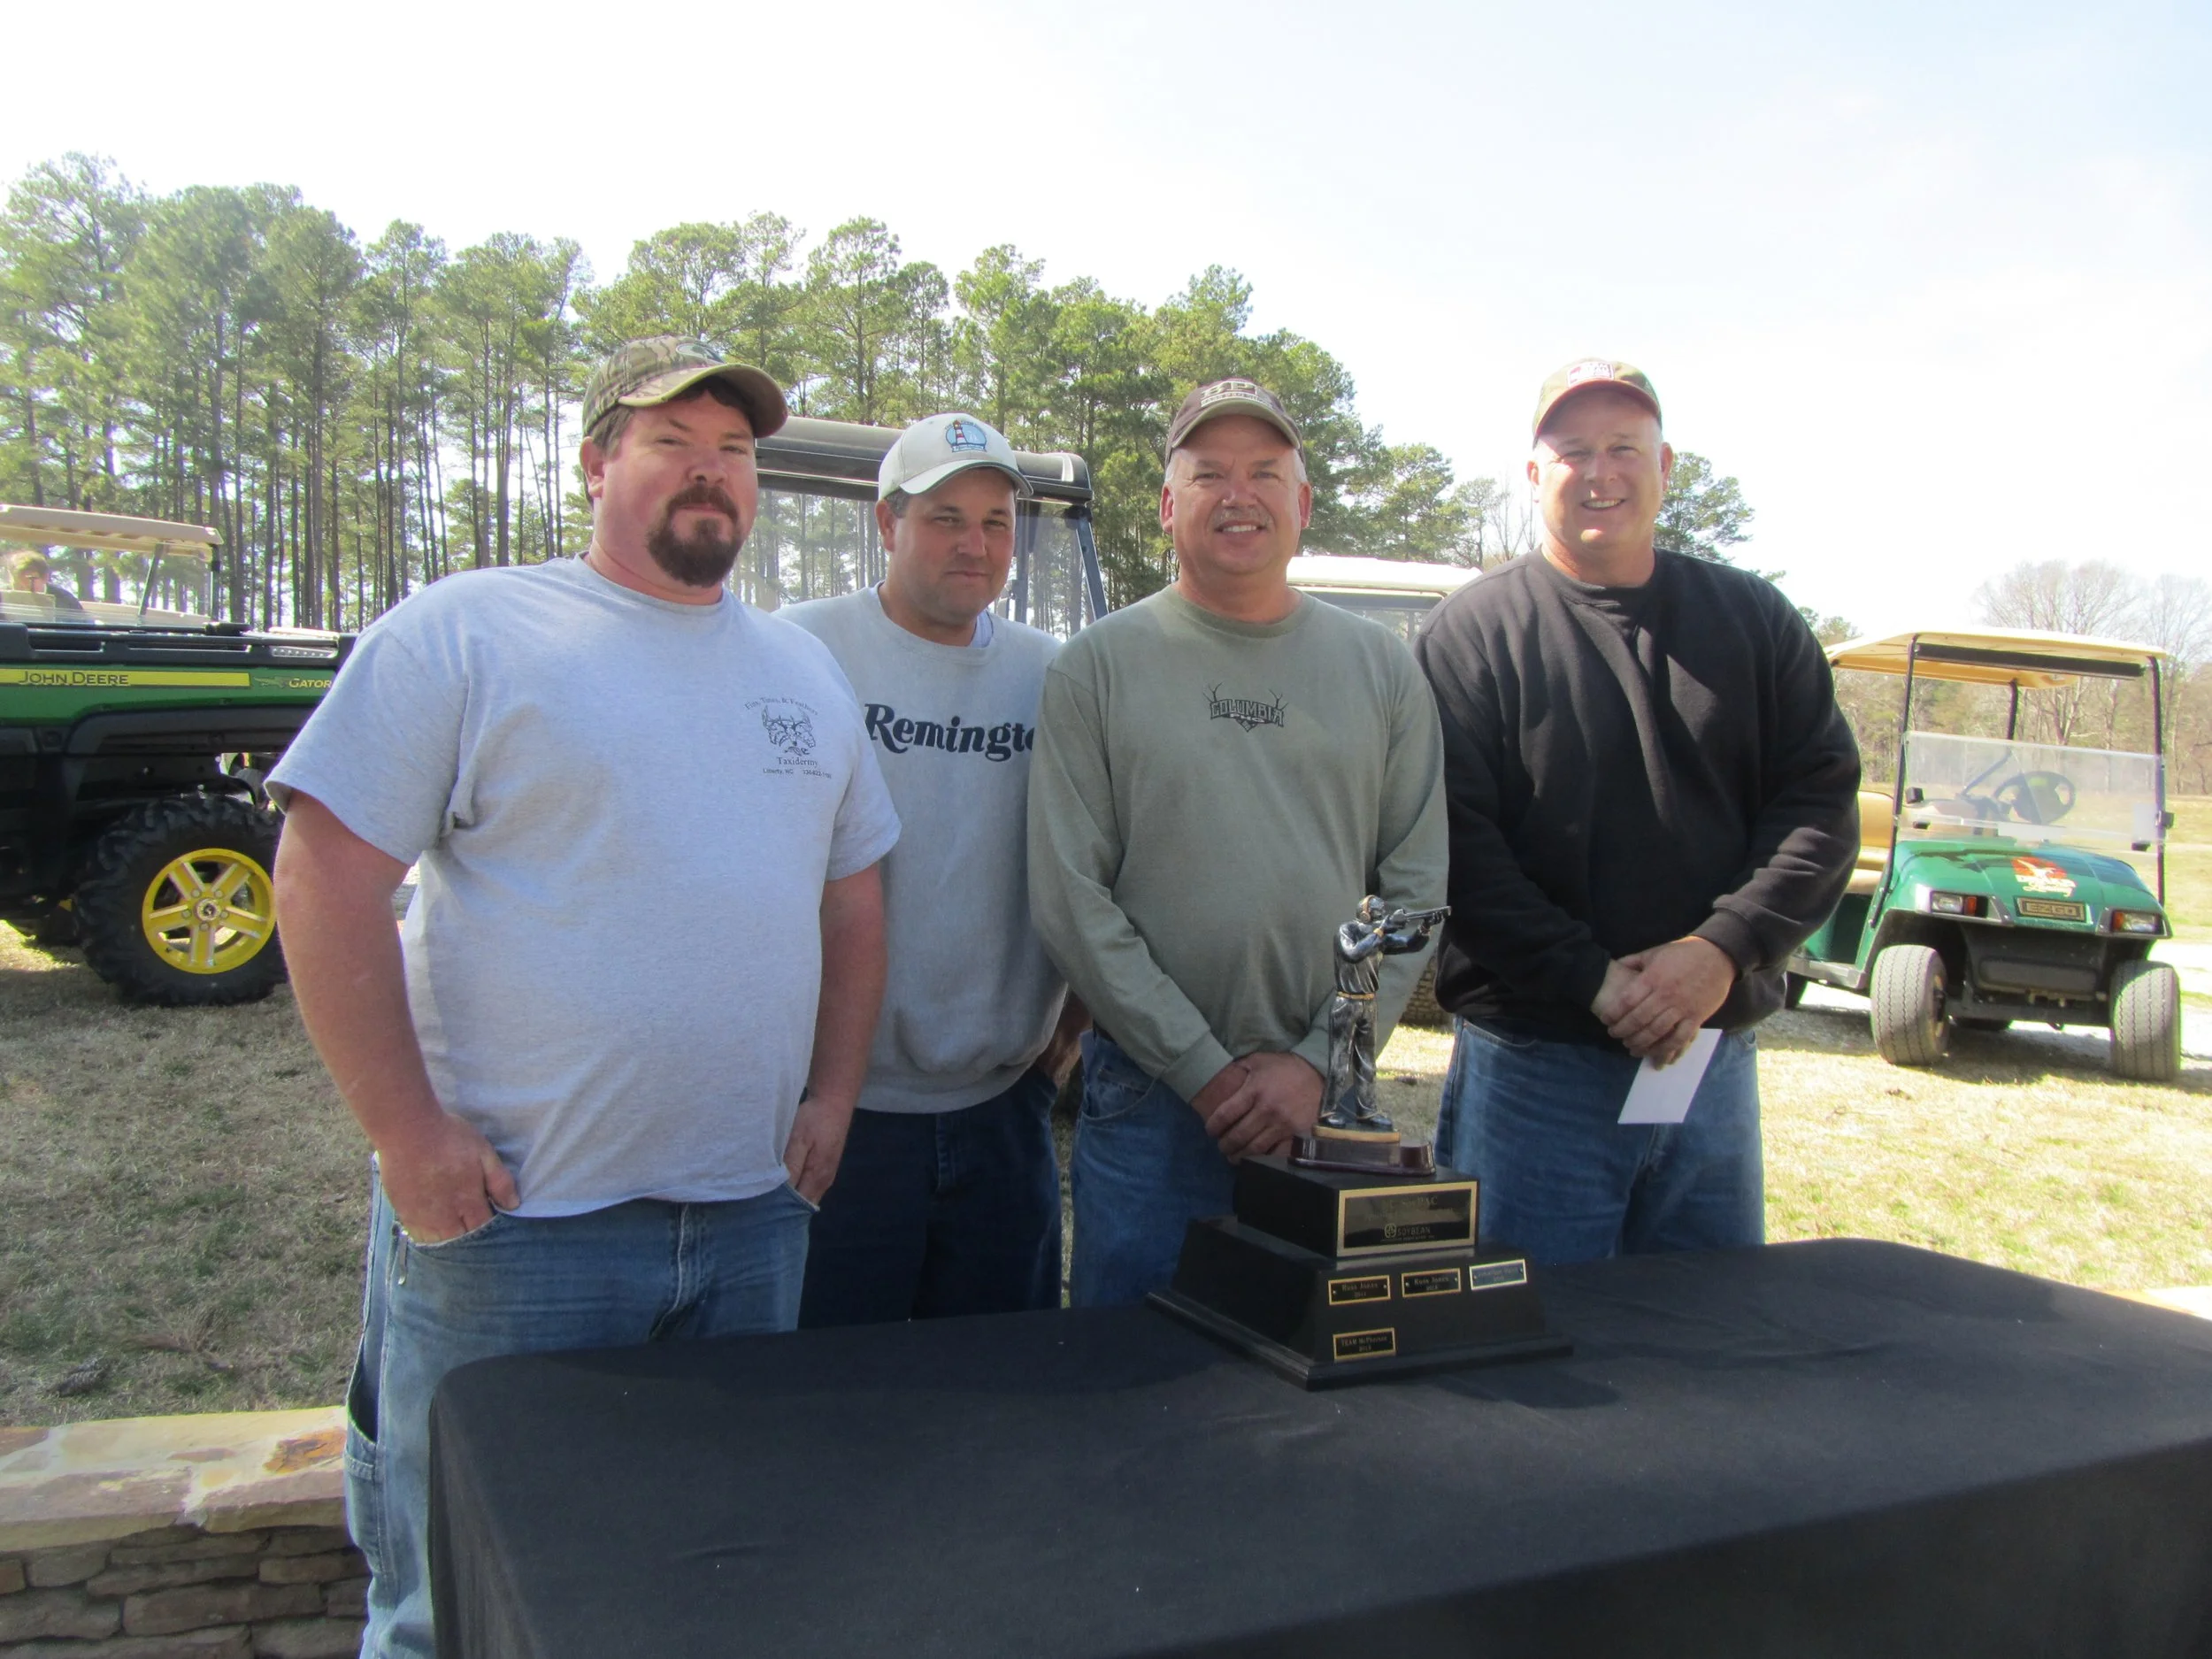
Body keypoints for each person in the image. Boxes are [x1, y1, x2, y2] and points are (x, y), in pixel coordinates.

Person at [269, 335, 899, 1659]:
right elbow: (324, 878)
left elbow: (852, 900)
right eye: (673, 441)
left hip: (749, 1218)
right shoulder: (469, 631)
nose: (710, 471)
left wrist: (835, 1095)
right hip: (517, 1227)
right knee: (451, 1596)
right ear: (598, 462)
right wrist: (407, 1134)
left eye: (734, 450)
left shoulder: (801, 673)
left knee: (700, 1570)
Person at [1412, 358, 1859, 1265]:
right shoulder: (1472, 635)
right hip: (1536, 1070)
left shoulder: (1755, 621)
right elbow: (1452, 844)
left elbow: (1819, 806)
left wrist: (1720, 951)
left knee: (1707, 1331)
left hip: (1710, 1066)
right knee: (1533, 1335)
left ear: (1666, 466)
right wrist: (1595, 981)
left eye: (1624, 447)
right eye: (1572, 451)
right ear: (1533, 473)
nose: (1599, 472)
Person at [1028, 377, 1448, 1307]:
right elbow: (1069, 896)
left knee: (1310, 1368)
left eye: (1264, 472)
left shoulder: (1383, 669)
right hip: (1151, 1102)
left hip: (1327, 1105)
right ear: (1166, 504)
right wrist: (1203, 1071)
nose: (1238, 494)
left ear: (1303, 503)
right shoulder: (1094, 668)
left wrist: (1318, 1060)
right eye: (1208, 472)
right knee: (1137, 1372)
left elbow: (1414, 887)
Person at [782, 412, 1087, 1325]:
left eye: (996, 522)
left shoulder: (1055, 676)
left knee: (995, 1388)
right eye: (945, 518)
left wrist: (1067, 1035)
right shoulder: (798, 652)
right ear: (887, 523)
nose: (974, 544)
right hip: (837, 1117)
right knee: (838, 1388)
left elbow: (1101, 863)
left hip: (1003, 1114)